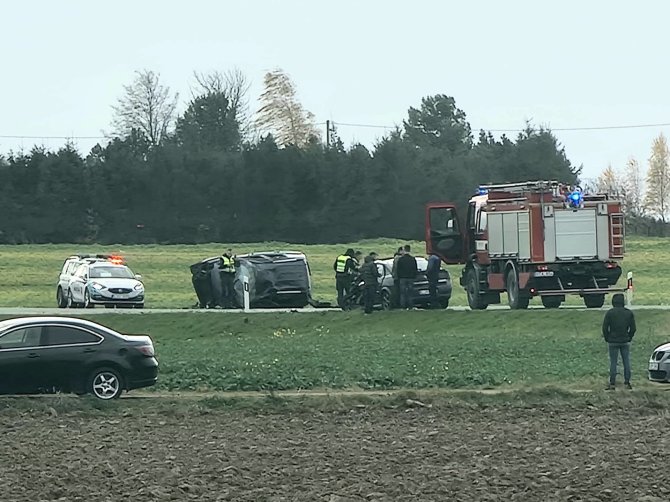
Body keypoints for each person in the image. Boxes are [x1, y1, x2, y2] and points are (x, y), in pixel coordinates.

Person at [602, 293, 636, 390]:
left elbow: (605, 328)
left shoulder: (610, 313)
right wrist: (629, 337)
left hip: (613, 340)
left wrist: (607, 338)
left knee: (613, 362)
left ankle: (612, 383)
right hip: (625, 340)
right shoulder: (628, 313)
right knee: (626, 361)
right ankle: (627, 382)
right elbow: (633, 328)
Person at [396, 244, 418, 310]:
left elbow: (398, 269)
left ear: (404, 250)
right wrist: (414, 276)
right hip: (410, 278)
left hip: (403, 278)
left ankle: (403, 306)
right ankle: (410, 306)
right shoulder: (412, 259)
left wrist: (399, 276)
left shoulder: (401, 259)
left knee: (402, 293)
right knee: (410, 292)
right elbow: (415, 269)